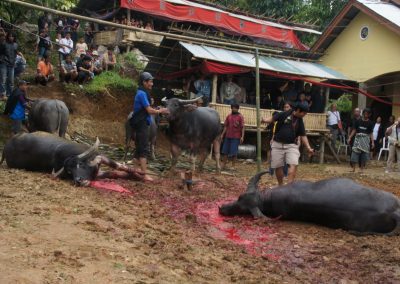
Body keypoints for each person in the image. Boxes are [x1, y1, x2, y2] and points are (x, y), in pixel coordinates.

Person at [261, 102, 314, 185]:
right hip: (277, 144)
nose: (305, 114)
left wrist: (308, 147)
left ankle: (289, 188)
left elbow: (303, 135)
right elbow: (272, 119)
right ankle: (281, 186)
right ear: (299, 110)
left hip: (292, 146)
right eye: (304, 113)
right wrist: (264, 120)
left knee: (293, 164)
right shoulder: (284, 114)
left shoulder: (300, 121)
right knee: (278, 167)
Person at [130, 72, 169, 181]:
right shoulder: (142, 94)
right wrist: (160, 110)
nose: (152, 84)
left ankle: (134, 171)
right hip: (141, 123)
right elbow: (149, 110)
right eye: (150, 81)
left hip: (141, 122)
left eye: (152, 81)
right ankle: (143, 174)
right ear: (144, 82)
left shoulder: (142, 92)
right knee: (143, 148)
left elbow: (146, 107)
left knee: (138, 148)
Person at [347, 108, 374, 173]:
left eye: (367, 114)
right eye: (365, 113)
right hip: (357, 138)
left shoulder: (370, 123)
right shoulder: (358, 121)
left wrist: (372, 142)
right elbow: (354, 130)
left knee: (363, 155)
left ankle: (361, 169)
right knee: (354, 153)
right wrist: (350, 137)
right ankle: (353, 169)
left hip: (365, 139)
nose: (365, 115)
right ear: (363, 113)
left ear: (369, 115)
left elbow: (371, 133)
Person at [220, 104, 245, 170]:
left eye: (235, 108)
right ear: (231, 108)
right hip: (228, 136)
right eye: (233, 108)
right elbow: (225, 126)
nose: (234, 109)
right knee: (225, 151)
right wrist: (222, 134)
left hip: (236, 137)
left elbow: (242, 127)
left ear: (238, 109)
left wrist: (242, 136)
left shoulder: (240, 117)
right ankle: (223, 165)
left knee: (234, 152)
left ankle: (233, 166)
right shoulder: (229, 116)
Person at [0, 32, 18, 99]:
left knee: (11, 81)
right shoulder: (3, 43)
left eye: (12, 36)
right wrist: (1, 59)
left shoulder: (16, 45)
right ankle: (2, 94)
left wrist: (14, 61)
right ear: (7, 36)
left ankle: (10, 95)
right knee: (3, 80)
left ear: (14, 37)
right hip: (4, 63)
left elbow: (15, 54)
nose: (11, 37)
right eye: (10, 36)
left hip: (12, 64)